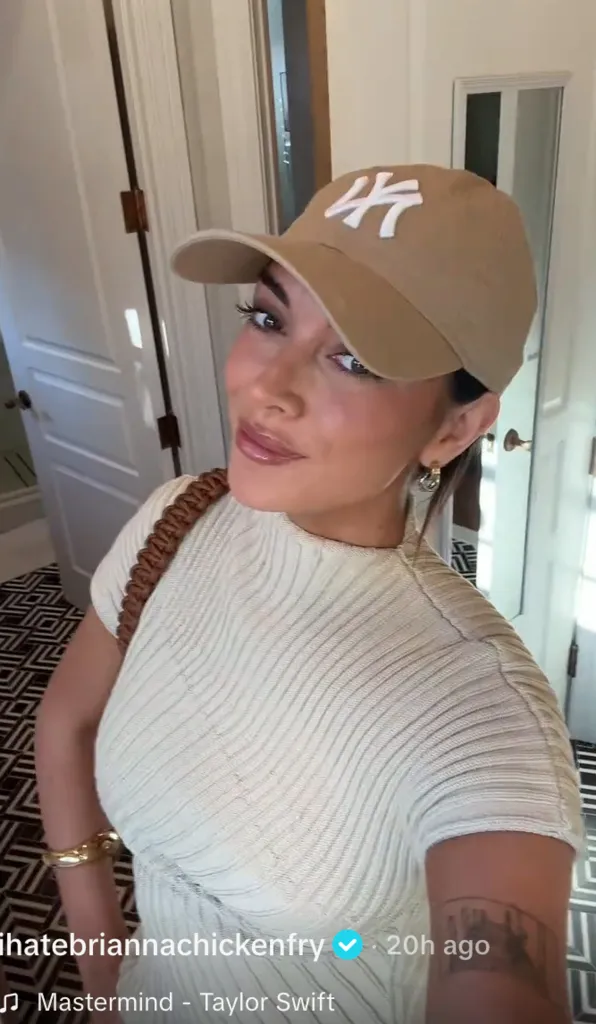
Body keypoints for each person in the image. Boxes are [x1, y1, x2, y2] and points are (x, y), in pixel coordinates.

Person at [35, 164, 583, 1024]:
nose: (267, 386)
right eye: (267, 318)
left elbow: (503, 985)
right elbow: (65, 723)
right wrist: (106, 976)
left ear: (455, 425)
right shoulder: (178, 520)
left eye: (354, 358)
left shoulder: (481, 713)